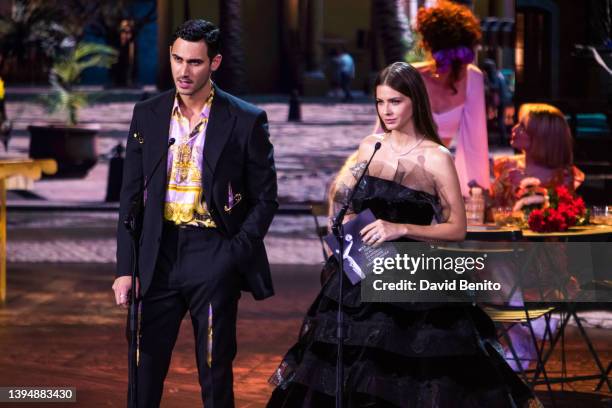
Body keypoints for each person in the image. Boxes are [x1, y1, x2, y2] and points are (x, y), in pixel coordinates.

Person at [267, 62, 539, 407]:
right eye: (380, 102)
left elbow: (457, 228)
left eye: (394, 101)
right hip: (363, 274)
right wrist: (350, 219)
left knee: (410, 375)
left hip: (415, 281)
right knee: (344, 371)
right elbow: (347, 200)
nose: (386, 110)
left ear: (415, 100)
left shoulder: (437, 157)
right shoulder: (371, 146)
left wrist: (401, 228)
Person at [112, 19, 278, 407]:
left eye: (195, 62)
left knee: (214, 366)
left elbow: (266, 198)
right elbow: (130, 195)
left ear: (215, 62)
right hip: (157, 252)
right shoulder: (148, 114)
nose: (184, 71)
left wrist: (233, 253)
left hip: (212, 251)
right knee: (143, 367)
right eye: (177, 59)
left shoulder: (245, 119)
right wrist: (125, 267)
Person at [412, 1, 490, 197]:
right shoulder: (409, 77)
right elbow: (384, 135)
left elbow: (475, 143)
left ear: (427, 42)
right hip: (398, 177)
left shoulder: (473, 78)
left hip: (437, 181)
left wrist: (475, 192)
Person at [491, 103, 584, 208]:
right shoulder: (508, 166)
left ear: (542, 137)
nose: (514, 129)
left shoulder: (561, 176)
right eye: (518, 123)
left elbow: (556, 216)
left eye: (523, 127)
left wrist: (528, 185)